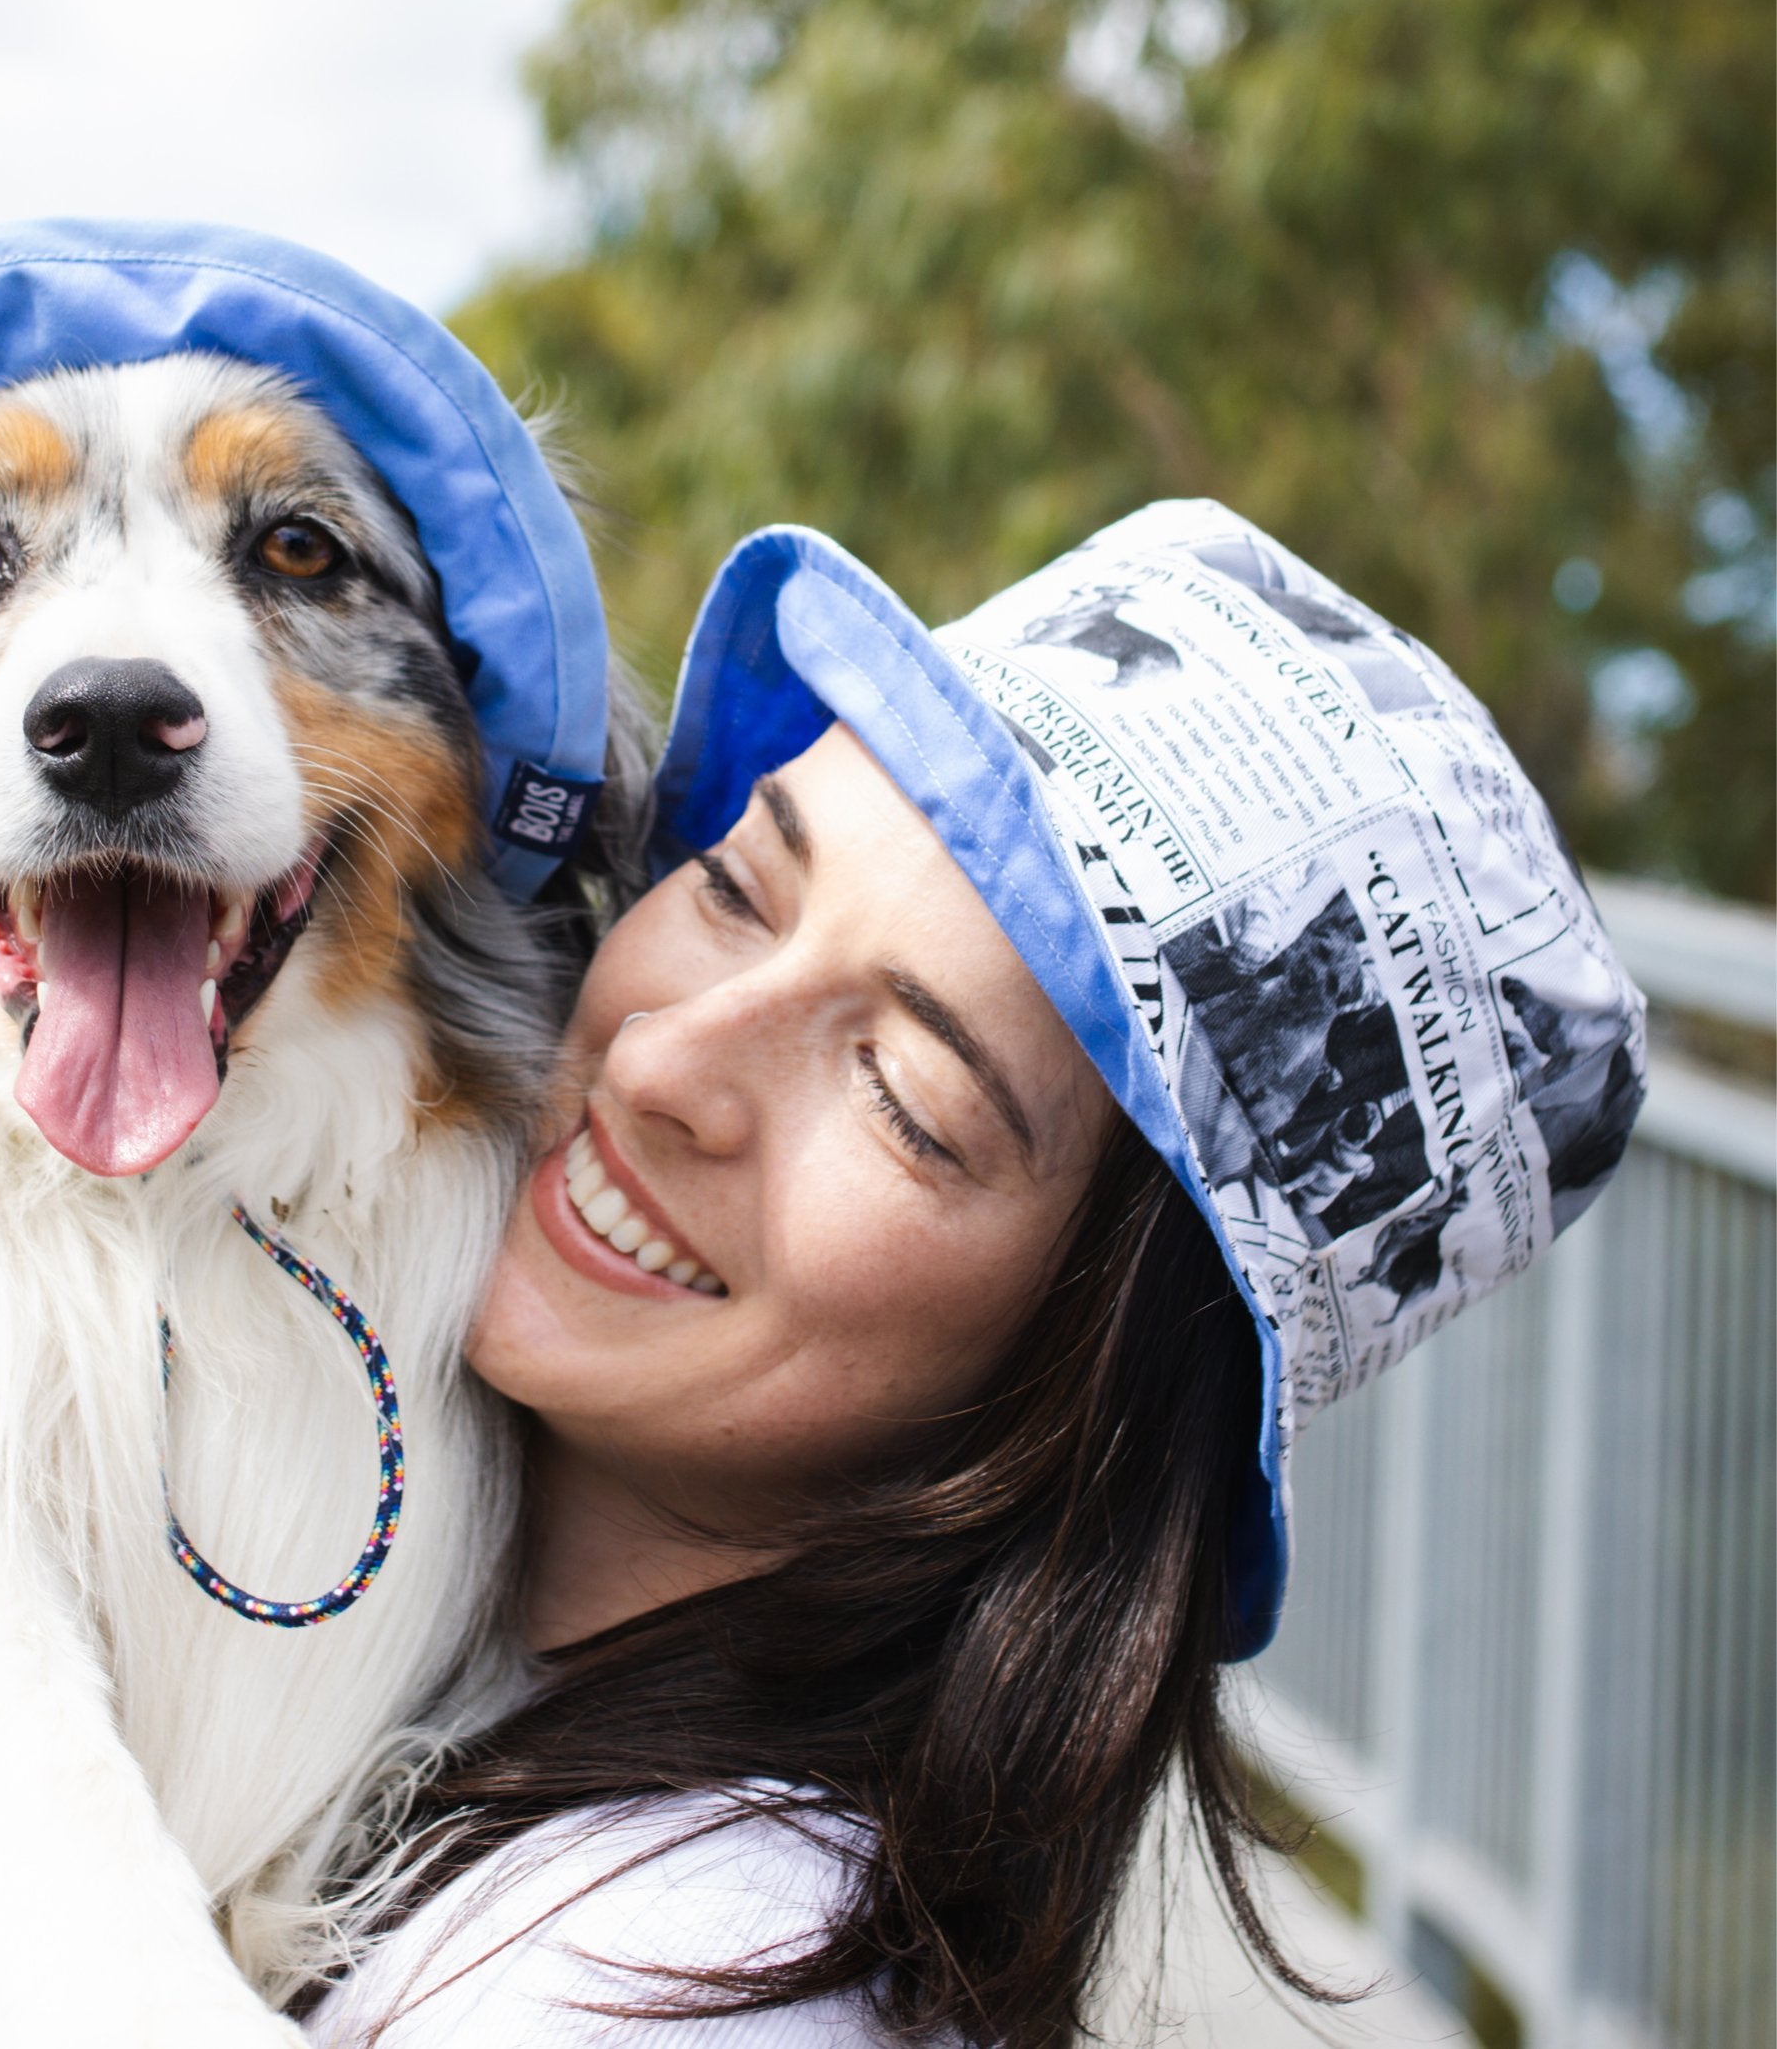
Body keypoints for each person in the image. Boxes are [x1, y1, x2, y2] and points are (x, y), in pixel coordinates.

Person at [305, 504, 1646, 2047]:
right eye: (738, 887)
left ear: (1091, 1370)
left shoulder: (641, 1993)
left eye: (904, 1099)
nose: (670, 1058)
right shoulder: (454, 1715)